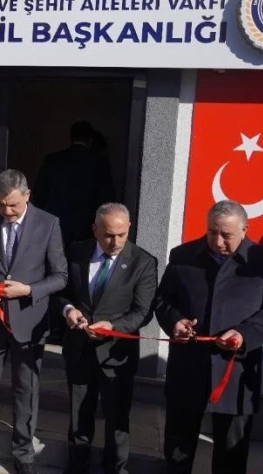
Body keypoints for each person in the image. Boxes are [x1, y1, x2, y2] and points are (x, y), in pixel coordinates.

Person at [153, 200, 263, 474]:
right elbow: (163, 299)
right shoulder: (183, 255)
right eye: (211, 232)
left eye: (226, 235)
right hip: (189, 365)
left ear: (244, 230)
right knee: (178, 445)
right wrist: (174, 321)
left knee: (231, 449)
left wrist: (244, 333)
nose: (217, 241)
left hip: (236, 368)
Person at [0, 169, 68, 474]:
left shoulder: (48, 224)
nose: (7, 211)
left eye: (13, 206)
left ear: (27, 196)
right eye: (1, 204)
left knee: (26, 390)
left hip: (29, 322)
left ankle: (22, 452)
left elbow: (60, 276)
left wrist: (29, 290)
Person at [59, 203, 157, 474]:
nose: (115, 242)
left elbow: (143, 312)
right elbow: (62, 291)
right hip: (79, 348)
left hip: (116, 353)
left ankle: (115, 468)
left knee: (116, 419)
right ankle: (77, 466)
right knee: (79, 415)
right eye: (108, 235)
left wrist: (112, 325)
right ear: (95, 230)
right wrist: (69, 310)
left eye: (121, 235)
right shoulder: (77, 251)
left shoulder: (143, 262)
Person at [32, 121, 114, 248]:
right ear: (90, 140)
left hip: (55, 224)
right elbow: (106, 199)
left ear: (71, 137)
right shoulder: (99, 163)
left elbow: (38, 196)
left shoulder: (52, 160)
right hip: (86, 228)